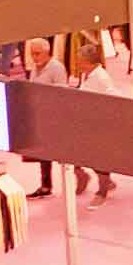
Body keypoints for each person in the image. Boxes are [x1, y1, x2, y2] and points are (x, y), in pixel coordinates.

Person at [69, 40, 120, 204]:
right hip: (87, 123)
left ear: (89, 62)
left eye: (80, 61)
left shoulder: (101, 77)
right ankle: (85, 176)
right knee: (75, 151)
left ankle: (102, 191)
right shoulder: (89, 75)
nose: (77, 64)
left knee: (98, 158)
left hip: (99, 125)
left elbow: (114, 98)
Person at [21, 37, 69, 198]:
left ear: (47, 52)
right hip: (41, 116)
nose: (34, 57)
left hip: (55, 117)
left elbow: (63, 94)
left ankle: (86, 173)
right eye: (32, 54)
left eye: (37, 53)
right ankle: (46, 186)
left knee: (63, 152)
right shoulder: (35, 68)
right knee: (44, 153)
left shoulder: (57, 68)